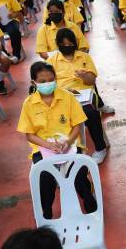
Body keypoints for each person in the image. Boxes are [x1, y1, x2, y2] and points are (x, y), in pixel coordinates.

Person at [17, 62, 97, 219]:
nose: (47, 83)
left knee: (79, 173)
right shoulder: (29, 104)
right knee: (44, 177)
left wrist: (68, 142)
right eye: (42, 81)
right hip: (42, 148)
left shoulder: (67, 97)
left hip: (70, 144)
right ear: (34, 82)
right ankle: (46, 215)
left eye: (51, 79)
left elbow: (77, 125)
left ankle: (90, 206)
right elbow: (30, 135)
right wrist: (48, 145)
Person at [46, 28, 108, 164]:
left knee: (90, 112)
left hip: (86, 94)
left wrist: (84, 75)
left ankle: (100, 148)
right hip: (62, 96)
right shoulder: (52, 61)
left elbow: (92, 81)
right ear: (58, 44)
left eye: (70, 44)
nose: (67, 47)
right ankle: (63, 149)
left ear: (74, 43)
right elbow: (48, 82)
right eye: (64, 45)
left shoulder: (84, 57)